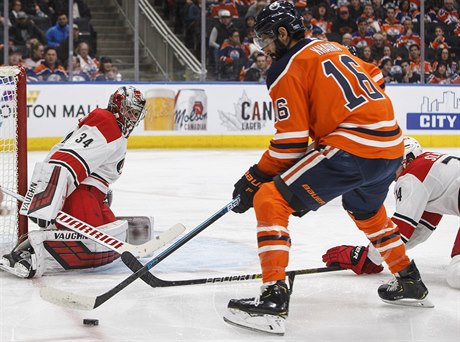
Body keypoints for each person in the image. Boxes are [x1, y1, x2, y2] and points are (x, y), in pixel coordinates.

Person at [222, 1, 429, 335]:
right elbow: (375, 76)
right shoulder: (333, 47)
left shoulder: (285, 67)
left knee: (269, 200)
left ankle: (273, 300)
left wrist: (254, 177)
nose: (265, 48)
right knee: (367, 211)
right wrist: (350, 115)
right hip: (390, 146)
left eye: (266, 39)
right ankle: (409, 280)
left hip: (351, 149)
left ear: (283, 33)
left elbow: (289, 142)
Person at [0, 86, 147, 279]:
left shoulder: (112, 127)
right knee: (89, 244)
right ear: (117, 106)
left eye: (136, 113)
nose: (133, 118)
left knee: (110, 238)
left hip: (91, 196)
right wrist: (45, 198)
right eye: (130, 111)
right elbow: (66, 158)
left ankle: (41, 239)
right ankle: (24, 255)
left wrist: (102, 190)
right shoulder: (107, 123)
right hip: (79, 195)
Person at [322, 137, 460, 290]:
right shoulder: (432, 171)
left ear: (408, 159)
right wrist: (375, 257)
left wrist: (365, 256)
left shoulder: (412, 176)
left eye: (392, 162)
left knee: (457, 275)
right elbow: (419, 231)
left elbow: (401, 232)